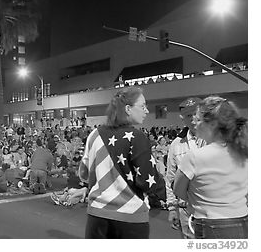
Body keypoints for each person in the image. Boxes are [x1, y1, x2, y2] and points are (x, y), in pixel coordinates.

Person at [79, 87, 166, 239]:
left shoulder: (94, 134)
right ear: (128, 109)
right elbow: (147, 182)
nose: (147, 111)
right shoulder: (137, 137)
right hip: (130, 217)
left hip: (97, 215)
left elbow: (83, 174)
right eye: (143, 106)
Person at [173, 97, 248, 239]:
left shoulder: (195, 156)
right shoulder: (244, 152)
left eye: (199, 119)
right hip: (243, 220)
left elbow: (179, 190)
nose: (195, 122)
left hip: (210, 224)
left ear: (212, 124)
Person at [166, 97, 205, 238]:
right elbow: (170, 177)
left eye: (197, 114)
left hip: (210, 207)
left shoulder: (215, 138)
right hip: (185, 209)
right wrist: (171, 208)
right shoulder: (176, 144)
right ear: (183, 118)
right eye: (189, 115)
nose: (194, 119)